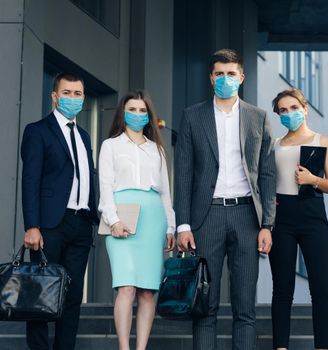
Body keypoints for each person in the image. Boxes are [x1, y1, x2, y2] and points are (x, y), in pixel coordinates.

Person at [174, 48, 276, 350]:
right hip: (208, 218)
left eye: (231, 74)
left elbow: (268, 173)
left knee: (246, 308)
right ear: (211, 78)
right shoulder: (193, 116)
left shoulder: (258, 117)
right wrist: (183, 224)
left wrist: (268, 224)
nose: (225, 79)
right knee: (205, 306)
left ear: (241, 78)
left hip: (247, 218)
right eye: (219, 74)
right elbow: (183, 174)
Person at [21, 72, 99, 350]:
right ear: (55, 96)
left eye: (78, 94)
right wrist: (32, 225)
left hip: (80, 224)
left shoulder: (84, 135)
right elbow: (30, 180)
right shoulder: (37, 131)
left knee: (73, 295)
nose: (73, 98)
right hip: (50, 225)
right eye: (67, 93)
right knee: (41, 293)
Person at [98, 90, 176, 350]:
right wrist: (113, 220)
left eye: (143, 111)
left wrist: (170, 227)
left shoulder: (157, 149)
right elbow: (105, 186)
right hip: (121, 215)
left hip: (153, 220)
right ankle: (124, 347)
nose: (138, 114)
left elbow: (165, 191)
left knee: (147, 290)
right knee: (126, 287)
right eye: (132, 109)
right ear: (123, 112)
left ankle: (141, 347)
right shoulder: (110, 145)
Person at [269, 88, 328, 350]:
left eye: (294, 108)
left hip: (312, 214)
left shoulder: (322, 141)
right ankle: (281, 346)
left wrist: (313, 180)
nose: (289, 114)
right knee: (282, 288)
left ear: (305, 109)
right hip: (282, 216)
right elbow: (266, 180)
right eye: (283, 111)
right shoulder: (274, 144)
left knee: (320, 287)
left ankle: (322, 346)